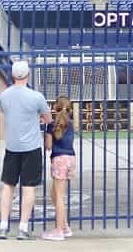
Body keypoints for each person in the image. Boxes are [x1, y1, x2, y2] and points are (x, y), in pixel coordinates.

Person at [0, 60, 52, 240]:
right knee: (28, 187)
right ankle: (23, 228)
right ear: (28, 75)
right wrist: (38, 118)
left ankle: (3, 226)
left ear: (12, 76)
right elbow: (48, 118)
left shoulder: (4, 96)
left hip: (12, 146)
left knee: (8, 186)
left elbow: (5, 112)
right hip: (32, 147)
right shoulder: (36, 96)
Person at [42, 95, 77, 242]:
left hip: (59, 159)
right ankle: (65, 226)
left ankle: (59, 231)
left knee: (60, 197)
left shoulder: (52, 126)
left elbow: (49, 147)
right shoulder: (70, 123)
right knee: (54, 194)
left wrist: (46, 133)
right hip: (70, 159)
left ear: (55, 108)